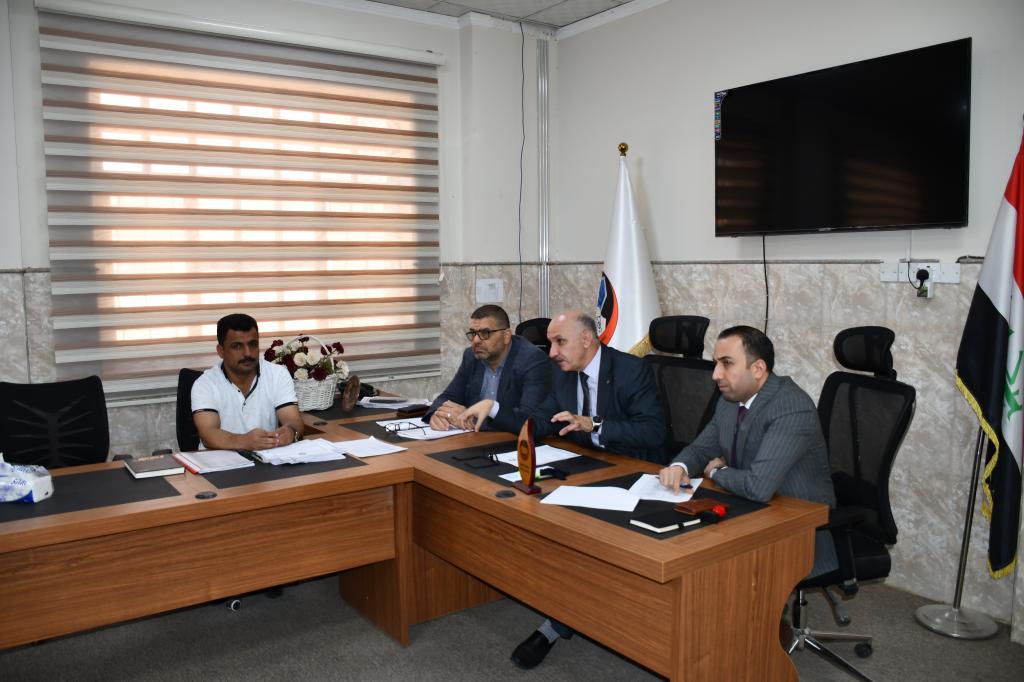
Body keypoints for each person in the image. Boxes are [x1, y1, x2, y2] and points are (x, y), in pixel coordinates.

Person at [460, 309, 665, 670]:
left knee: (577, 536)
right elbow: (540, 422)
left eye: (559, 342)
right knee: (547, 525)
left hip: (634, 472)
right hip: (589, 468)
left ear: (587, 339)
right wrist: (493, 408)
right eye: (550, 343)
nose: (552, 352)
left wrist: (595, 424)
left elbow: (654, 432)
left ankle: (557, 625)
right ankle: (562, 614)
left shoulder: (631, 370)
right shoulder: (563, 373)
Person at [658, 325, 838, 579]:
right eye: (716, 363)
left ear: (758, 369)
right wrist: (680, 467)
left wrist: (717, 471)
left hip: (798, 529)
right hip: (750, 510)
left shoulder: (790, 405)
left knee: (708, 568)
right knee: (677, 545)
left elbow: (757, 486)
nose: (716, 374)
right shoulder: (729, 400)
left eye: (726, 363)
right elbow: (701, 448)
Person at [426, 305, 551, 434]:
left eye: (485, 333)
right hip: (476, 439)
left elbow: (528, 420)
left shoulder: (532, 360)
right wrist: (438, 415)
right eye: (473, 333)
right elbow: (449, 396)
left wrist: (470, 418)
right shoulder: (471, 356)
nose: (476, 340)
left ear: (506, 336)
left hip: (514, 441)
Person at [191, 313, 305, 450]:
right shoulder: (205, 383)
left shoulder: (277, 374)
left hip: (266, 458)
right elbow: (208, 434)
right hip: (218, 460)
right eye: (237, 346)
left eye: (253, 344)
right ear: (221, 351)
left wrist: (291, 432)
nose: (248, 353)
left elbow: (293, 420)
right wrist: (244, 442)